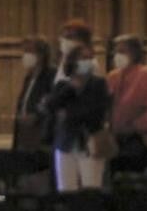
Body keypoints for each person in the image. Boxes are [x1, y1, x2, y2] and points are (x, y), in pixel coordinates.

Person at [43, 43, 111, 191]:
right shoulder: (63, 84)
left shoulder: (99, 84)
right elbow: (49, 106)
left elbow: (96, 112)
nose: (88, 61)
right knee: (65, 189)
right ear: (73, 61)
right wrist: (71, 88)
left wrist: (68, 114)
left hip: (90, 143)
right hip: (65, 143)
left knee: (91, 189)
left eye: (90, 57)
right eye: (83, 58)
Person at [107, 34, 147, 174]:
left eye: (122, 51)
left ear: (134, 53)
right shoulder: (112, 76)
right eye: (116, 51)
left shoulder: (146, 74)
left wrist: (135, 126)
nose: (117, 55)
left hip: (137, 141)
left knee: (132, 184)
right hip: (114, 141)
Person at [13, 37, 57, 151]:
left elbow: (51, 99)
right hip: (24, 129)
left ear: (41, 55)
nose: (26, 56)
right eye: (25, 52)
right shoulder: (29, 77)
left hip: (40, 128)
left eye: (29, 51)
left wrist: (37, 115)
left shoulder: (51, 75)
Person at [55, 19, 94, 85]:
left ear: (82, 40)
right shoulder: (66, 59)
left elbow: (77, 87)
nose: (64, 40)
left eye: (69, 37)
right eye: (63, 36)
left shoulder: (85, 61)